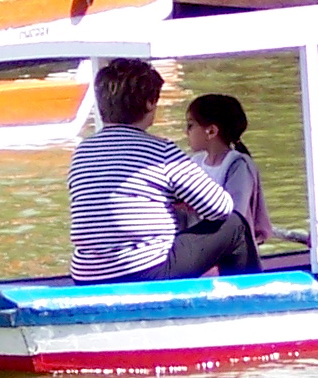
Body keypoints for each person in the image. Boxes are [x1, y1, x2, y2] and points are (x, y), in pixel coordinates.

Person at [68, 59, 256, 283]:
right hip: (144, 270)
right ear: (149, 104)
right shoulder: (162, 151)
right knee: (235, 225)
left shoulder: (81, 152)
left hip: (86, 274)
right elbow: (221, 208)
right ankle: (252, 297)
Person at [184, 94, 274, 247]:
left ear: (211, 131)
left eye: (190, 125)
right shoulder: (195, 161)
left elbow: (234, 217)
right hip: (198, 243)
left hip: (229, 249)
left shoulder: (238, 165)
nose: (186, 132)